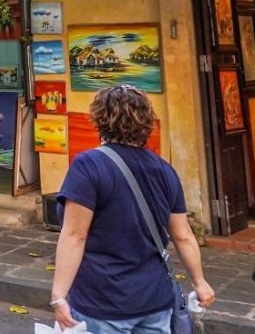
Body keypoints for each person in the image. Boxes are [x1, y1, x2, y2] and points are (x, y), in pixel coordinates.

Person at [52, 85, 215, 332]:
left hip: (104, 300)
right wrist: (200, 282)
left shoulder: (88, 165)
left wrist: (59, 294)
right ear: (146, 122)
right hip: (155, 300)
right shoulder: (164, 170)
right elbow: (183, 235)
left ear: (99, 118)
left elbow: (75, 235)